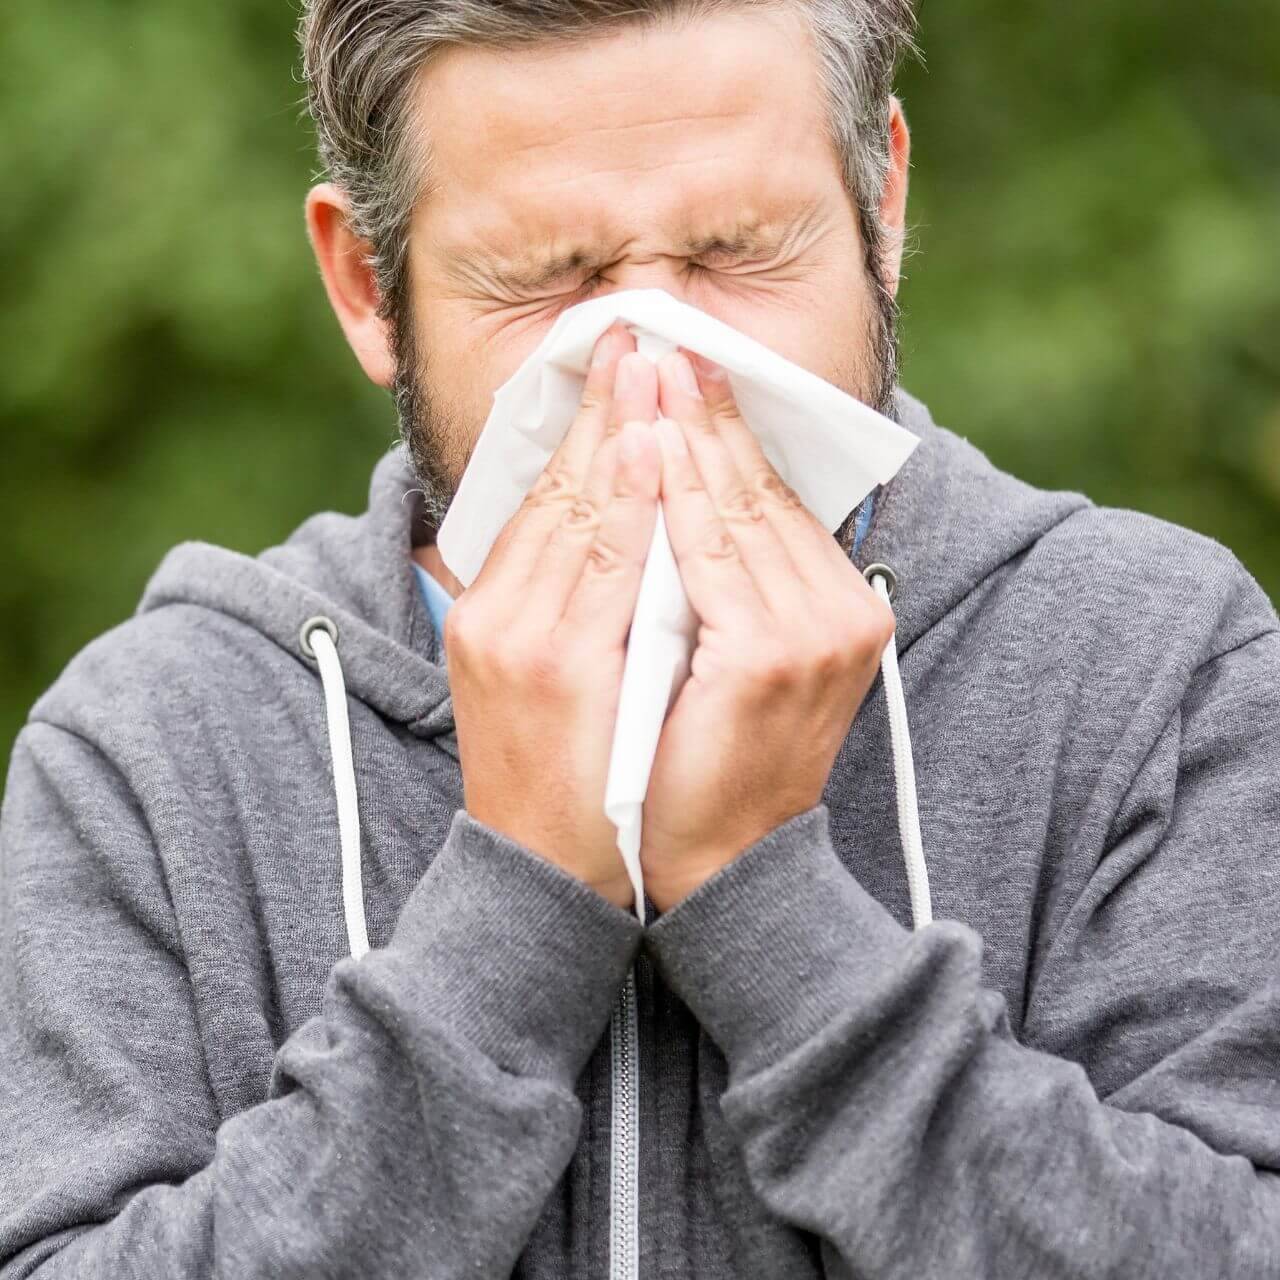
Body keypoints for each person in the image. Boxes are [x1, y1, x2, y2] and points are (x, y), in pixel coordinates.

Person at [2, 1, 1279, 1276]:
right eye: (548, 278)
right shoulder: (153, 744)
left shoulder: (1152, 663)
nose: (656, 366)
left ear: (879, 204)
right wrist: (511, 906)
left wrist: (763, 901)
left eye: (737, 250)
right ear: (366, 286)